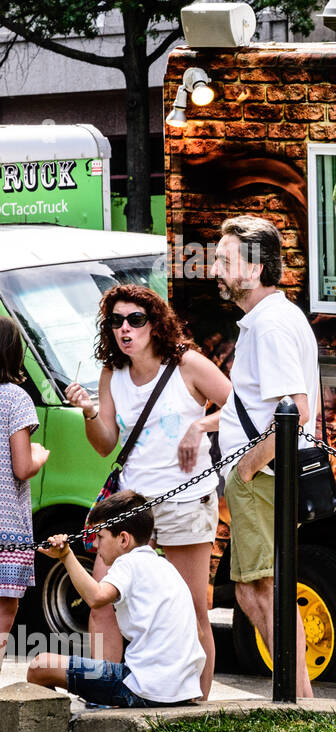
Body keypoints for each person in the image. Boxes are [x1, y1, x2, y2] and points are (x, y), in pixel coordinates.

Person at [65, 284, 231, 700]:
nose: (125, 328)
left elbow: (239, 406)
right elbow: (105, 443)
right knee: (102, 603)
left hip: (186, 501)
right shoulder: (112, 374)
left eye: (135, 319)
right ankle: (105, 695)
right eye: (116, 321)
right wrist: (88, 412)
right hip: (132, 509)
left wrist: (200, 427)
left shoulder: (187, 365)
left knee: (192, 608)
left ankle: (197, 702)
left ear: (155, 324)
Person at [213, 215, 318, 698]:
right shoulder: (275, 317)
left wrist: (246, 466)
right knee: (262, 588)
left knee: (261, 590)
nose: (213, 267)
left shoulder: (271, 324)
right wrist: (210, 425)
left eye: (224, 259)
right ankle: (296, 697)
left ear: (253, 270)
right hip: (265, 472)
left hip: (263, 474)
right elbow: (261, 403)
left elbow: (294, 409)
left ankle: (294, 699)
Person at [27, 492, 205, 708]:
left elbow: (97, 597)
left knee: (39, 666)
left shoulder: (128, 563)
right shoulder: (166, 567)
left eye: (100, 537)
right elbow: (199, 631)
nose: (96, 545)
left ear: (123, 539)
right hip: (183, 691)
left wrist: (66, 556)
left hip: (141, 688)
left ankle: (56, 731)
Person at [0, 316, 49, 665]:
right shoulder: (15, 398)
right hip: (7, 528)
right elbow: (21, 466)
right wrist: (39, 456)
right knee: (4, 609)